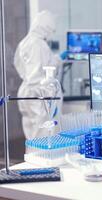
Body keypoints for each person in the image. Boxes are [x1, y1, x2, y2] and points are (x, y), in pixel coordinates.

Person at [14, 10, 67, 140]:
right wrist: (49, 95)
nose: (50, 34)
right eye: (51, 31)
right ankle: (40, 159)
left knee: (31, 134)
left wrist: (57, 59)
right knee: (42, 135)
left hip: (27, 92)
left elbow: (23, 66)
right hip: (37, 95)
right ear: (46, 27)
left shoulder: (25, 42)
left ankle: (33, 157)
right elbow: (37, 75)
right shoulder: (38, 44)